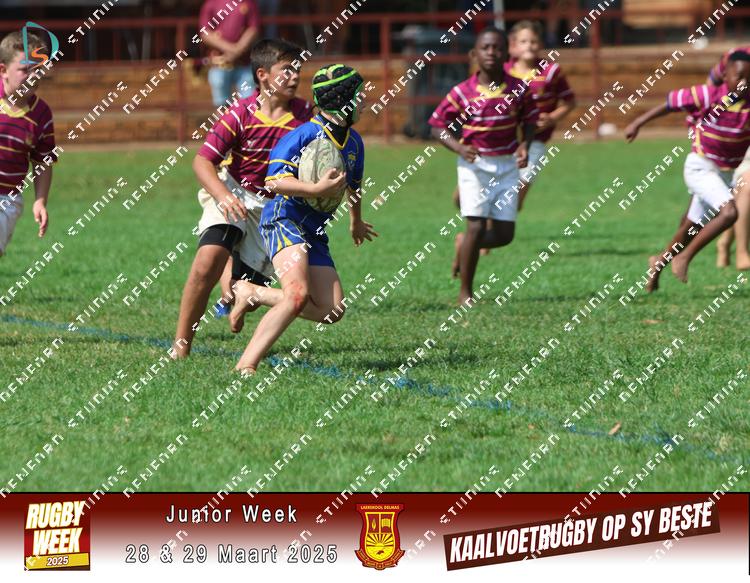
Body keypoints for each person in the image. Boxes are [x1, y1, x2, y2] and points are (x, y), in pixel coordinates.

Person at [230, 64, 377, 374]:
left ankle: (252, 292)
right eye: (360, 95)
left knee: (332, 309)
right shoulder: (304, 135)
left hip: (314, 229)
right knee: (297, 295)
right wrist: (315, 189)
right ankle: (246, 365)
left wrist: (356, 221)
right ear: (344, 102)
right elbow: (274, 182)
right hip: (284, 218)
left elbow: (354, 186)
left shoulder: (354, 143)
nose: (365, 100)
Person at [172, 39, 313, 358]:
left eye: (298, 70)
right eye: (287, 70)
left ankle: (235, 287)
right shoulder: (239, 113)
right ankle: (181, 346)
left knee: (243, 292)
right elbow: (202, 161)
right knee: (206, 262)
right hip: (234, 192)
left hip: (273, 208)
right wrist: (222, 196)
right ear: (263, 75)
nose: (295, 76)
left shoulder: (305, 116)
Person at [624, 51, 750, 291]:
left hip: (724, 175)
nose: (744, 83)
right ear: (725, 76)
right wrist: (637, 123)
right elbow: (671, 103)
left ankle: (658, 264)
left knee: (689, 228)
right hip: (700, 167)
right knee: (729, 213)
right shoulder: (708, 95)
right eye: (739, 77)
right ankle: (685, 257)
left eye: (749, 79)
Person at [429, 27, 538, 304]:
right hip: (475, 166)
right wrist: (459, 147)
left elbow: (530, 120)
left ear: (507, 54)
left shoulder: (518, 89)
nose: (491, 53)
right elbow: (437, 126)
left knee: (505, 235)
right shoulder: (462, 92)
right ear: (474, 54)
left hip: (508, 166)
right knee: (476, 227)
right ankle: (465, 292)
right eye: (485, 48)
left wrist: (525, 144)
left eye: (497, 48)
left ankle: (464, 246)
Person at [505, 20, 575, 211]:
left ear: (541, 44)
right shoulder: (503, 72)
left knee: (514, 199)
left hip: (535, 141)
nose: (529, 45)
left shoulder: (551, 71)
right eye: (523, 41)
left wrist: (552, 118)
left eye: (533, 41)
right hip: (505, 141)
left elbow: (570, 102)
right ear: (513, 45)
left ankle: (495, 226)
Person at [0, 31, 56, 258]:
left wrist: (40, 201)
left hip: (7, 199)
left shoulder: (41, 114)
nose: (33, 76)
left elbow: (43, 162)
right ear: (3, 70)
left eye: (38, 69)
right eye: (25, 70)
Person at [711, 46, 750, 270]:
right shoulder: (737, 56)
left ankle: (725, 240)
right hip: (740, 136)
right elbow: (712, 89)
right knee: (746, 186)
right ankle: (742, 252)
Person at [199, 0, 261, 106]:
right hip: (219, 63)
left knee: (250, 102)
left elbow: (253, 28)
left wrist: (237, 50)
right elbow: (205, 33)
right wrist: (232, 49)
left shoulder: (248, 2)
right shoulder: (211, 3)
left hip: (244, 63)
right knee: (221, 104)